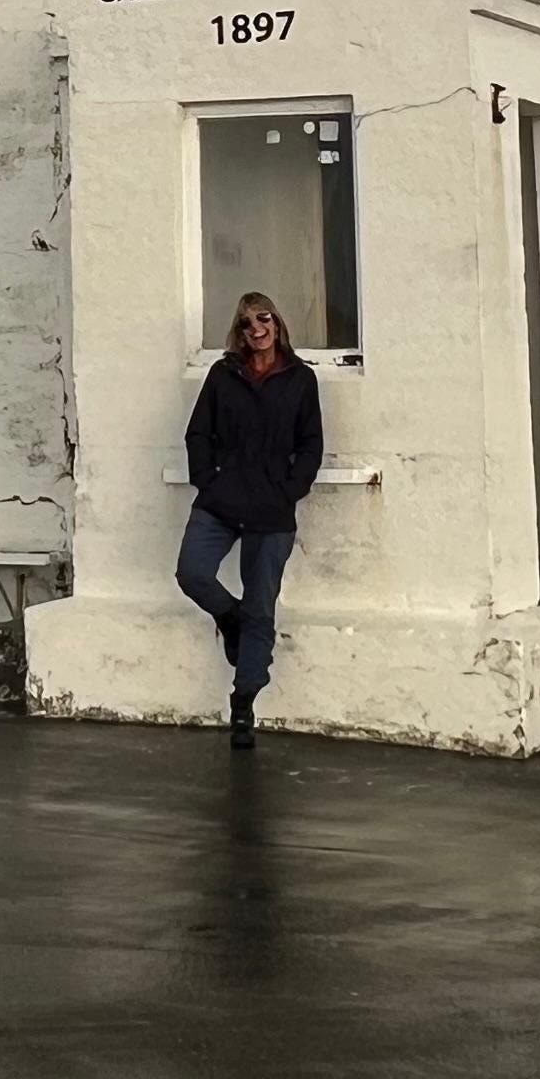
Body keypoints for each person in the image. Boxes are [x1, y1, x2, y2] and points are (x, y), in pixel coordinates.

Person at [178, 289, 322, 741]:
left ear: (277, 323)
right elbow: (198, 432)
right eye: (246, 323)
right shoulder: (223, 375)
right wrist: (208, 479)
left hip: (271, 509)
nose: (256, 328)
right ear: (238, 332)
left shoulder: (300, 378)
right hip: (222, 501)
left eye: (263, 318)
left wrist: (290, 488)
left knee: (261, 604)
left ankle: (244, 702)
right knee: (192, 572)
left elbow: (311, 443)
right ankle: (230, 618)